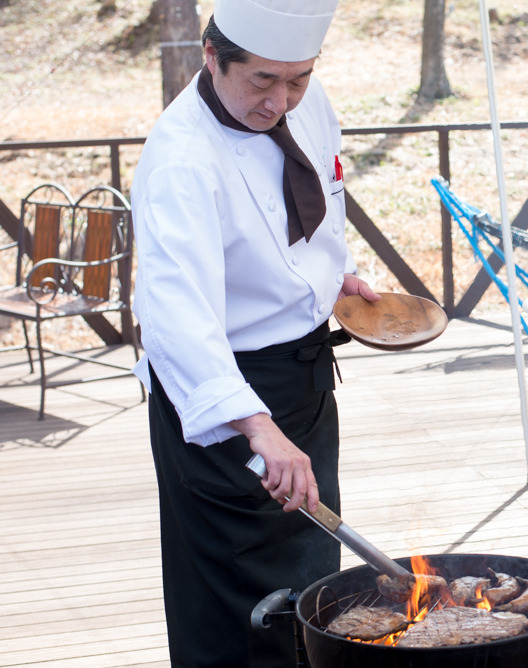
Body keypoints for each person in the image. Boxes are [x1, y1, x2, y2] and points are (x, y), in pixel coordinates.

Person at [130, 1, 380, 665]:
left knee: (313, 579)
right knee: (239, 603)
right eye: (263, 82)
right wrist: (257, 427)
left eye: (297, 79)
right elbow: (176, 317)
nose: (281, 101)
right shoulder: (182, 159)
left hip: (304, 379)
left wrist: (339, 275)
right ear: (213, 57)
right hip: (224, 400)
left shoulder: (308, 97)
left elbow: (324, 197)